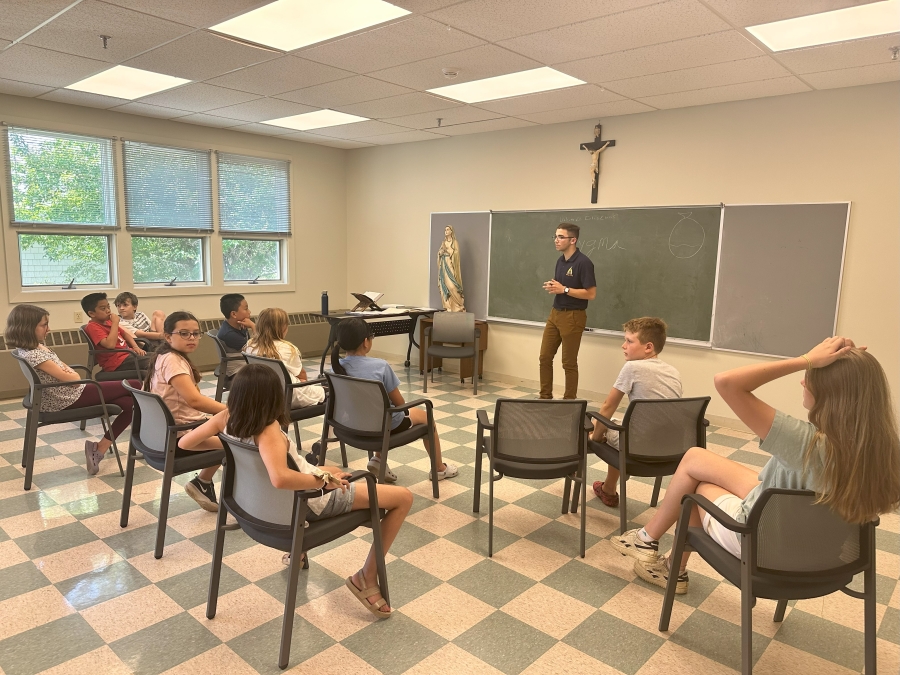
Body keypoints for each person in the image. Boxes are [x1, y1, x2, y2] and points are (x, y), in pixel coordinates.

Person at [612, 337, 900, 595]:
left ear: (829, 391)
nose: (802, 381)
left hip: (764, 542)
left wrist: (806, 359)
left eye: (809, 376)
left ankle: (667, 563)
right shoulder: (886, 451)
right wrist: (858, 372)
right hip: (824, 551)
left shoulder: (805, 443)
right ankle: (645, 539)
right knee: (696, 457)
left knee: (697, 490)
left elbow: (727, 382)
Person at [180, 364, 413, 618]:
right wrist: (323, 482)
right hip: (310, 501)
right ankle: (366, 577)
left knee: (331, 467)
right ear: (274, 397)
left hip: (259, 505)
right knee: (403, 498)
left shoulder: (226, 419)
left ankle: (297, 551)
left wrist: (229, 444)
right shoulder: (268, 430)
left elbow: (186, 442)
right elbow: (280, 478)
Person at [6, 304, 139, 475]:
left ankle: (99, 448)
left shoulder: (33, 347)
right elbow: (74, 380)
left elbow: (64, 369)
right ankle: (105, 447)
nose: (49, 329)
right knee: (135, 385)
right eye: (44, 325)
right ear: (27, 328)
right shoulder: (35, 354)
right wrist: (71, 374)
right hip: (65, 398)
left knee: (129, 404)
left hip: (63, 393)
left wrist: (69, 373)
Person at [331, 317, 457, 482]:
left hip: (350, 425)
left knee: (377, 412)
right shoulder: (380, 366)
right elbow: (400, 405)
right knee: (427, 418)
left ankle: (378, 458)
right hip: (381, 428)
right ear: (366, 342)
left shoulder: (334, 368)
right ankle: (439, 469)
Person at [590, 317, 682, 507]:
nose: (623, 346)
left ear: (648, 347)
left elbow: (608, 405)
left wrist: (596, 438)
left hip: (637, 446)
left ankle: (595, 486)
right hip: (669, 447)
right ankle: (609, 486)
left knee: (591, 422)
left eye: (629, 341)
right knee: (618, 424)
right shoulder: (673, 371)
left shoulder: (632, 367)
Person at [144, 311, 227, 511]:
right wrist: (232, 410)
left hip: (159, 435)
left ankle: (203, 482)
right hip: (180, 437)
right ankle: (248, 502)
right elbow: (195, 400)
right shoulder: (173, 361)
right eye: (184, 333)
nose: (191, 338)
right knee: (244, 443)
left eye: (195, 333)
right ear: (167, 336)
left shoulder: (164, 355)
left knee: (234, 430)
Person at [539, 223, 597, 399]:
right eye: (555, 236)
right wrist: (554, 286)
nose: (556, 240)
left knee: (569, 363)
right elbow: (562, 285)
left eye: (560, 237)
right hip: (555, 313)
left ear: (573, 240)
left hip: (573, 316)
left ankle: (569, 401)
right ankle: (545, 397)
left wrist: (564, 290)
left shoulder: (584, 263)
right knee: (544, 357)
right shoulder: (560, 261)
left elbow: (591, 294)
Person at [243, 307, 325, 408]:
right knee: (329, 391)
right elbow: (302, 375)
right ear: (283, 328)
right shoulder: (287, 348)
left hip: (264, 396)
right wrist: (304, 383)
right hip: (288, 396)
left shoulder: (250, 345)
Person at [81, 292, 150, 374]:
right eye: (103, 308)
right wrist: (115, 323)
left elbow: (125, 334)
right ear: (91, 313)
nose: (108, 311)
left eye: (108, 307)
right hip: (116, 362)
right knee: (155, 361)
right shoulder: (93, 327)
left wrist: (135, 347)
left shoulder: (108, 322)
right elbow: (110, 345)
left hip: (129, 354)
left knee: (162, 357)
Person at [217, 294, 254, 376]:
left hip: (242, 362)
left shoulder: (236, 325)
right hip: (237, 369)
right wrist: (253, 326)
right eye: (246, 309)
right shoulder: (230, 335)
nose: (249, 312)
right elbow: (256, 350)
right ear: (234, 314)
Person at [437, 225, 465, 312]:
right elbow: (439, 253)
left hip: (450, 265)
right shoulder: (443, 243)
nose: (446, 231)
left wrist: (448, 251)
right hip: (443, 265)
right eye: (445, 229)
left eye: (448, 229)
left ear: (451, 231)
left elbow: (456, 253)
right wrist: (440, 253)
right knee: (443, 285)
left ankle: (458, 306)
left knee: (452, 286)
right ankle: (448, 307)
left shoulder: (454, 242)